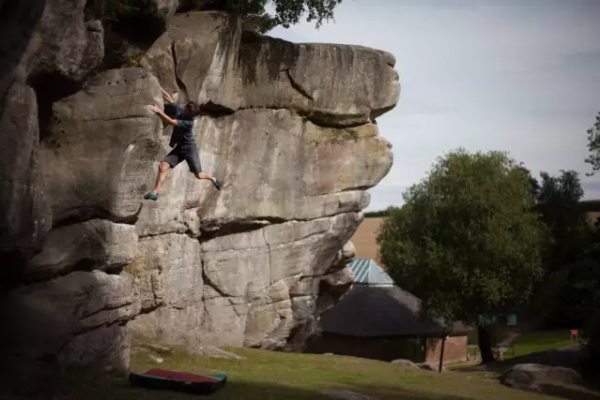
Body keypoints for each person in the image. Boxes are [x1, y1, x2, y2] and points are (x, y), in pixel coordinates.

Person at [144, 87, 221, 201]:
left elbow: (171, 122)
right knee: (163, 166)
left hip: (190, 149)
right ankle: (155, 193)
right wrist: (158, 87)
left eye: (187, 111)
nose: (184, 110)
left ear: (191, 114)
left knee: (199, 175)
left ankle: (212, 178)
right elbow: (169, 99)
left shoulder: (189, 123)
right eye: (185, 108)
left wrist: (158, 111)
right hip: (180, 148)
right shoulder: (181, 108)